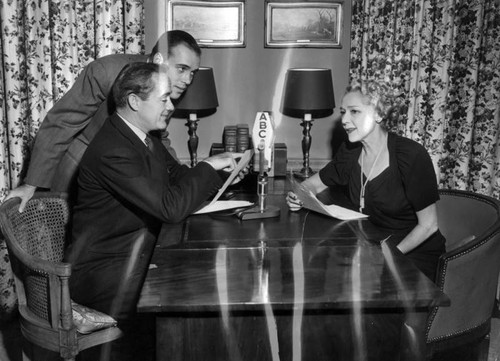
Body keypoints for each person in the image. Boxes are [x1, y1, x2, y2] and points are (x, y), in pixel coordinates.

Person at [65, 62, 247, 360]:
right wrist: (209, 166)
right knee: (191, 293)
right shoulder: (114, 149)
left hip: (131, 254)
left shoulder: (142, 137)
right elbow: (170, 208)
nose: (171, 106)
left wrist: (220, 174)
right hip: (103, 273)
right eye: (164, 99)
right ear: (135, 101)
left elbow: (178, 177)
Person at [286, 79, 445, 360]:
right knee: (319, 292)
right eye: (343, 112)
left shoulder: (410, 155)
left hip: (412, 253)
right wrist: (298, 197)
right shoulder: (350, 153)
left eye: (354, 112)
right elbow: (310, 186)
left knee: (368, 315)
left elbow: (429, 225)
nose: (345, 120)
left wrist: (387, 257)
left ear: (380, 113)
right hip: (371, 246)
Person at [3, 30, 201, 210]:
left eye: (192, 73)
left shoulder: (167, 85)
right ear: (159, 58)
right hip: (76, 174)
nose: (188, 80)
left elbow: (158, 138)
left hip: (126, 173)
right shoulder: (106, 71)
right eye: (182, 69)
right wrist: (31, 185)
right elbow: (62, 123)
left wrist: (185, 180)